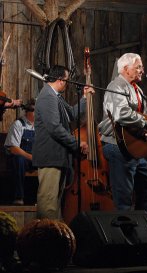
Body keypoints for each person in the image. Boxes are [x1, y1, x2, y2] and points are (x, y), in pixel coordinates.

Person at [98, 53, 147, 215]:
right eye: (138, 67)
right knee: (123, 198)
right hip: (117, 146)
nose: (142, 70)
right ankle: (125, 237)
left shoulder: (137, 89)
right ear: (125, 69)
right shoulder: (115, 86)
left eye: (142, 67)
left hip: (133, 147)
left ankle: (141, 229)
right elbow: (121, 113)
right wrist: (146, 123)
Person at [32, 65, 92, 219]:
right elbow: (54, 127)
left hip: (58, 157)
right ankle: (45, 238)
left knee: (55, 202)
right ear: (60, 80)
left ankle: (54, 238)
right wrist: (76, 143)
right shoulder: (47, 96)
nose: (67, 83)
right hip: (50, 156)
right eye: (67, 80)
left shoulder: (55, 96)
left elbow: (71, 114)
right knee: (48, 202)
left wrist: (85, 98)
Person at [4, 98, 36, 205]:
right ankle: (19, 197)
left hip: (37, 159)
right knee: (19, 160)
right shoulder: (19, 124)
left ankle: (44, 200)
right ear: (28, 111)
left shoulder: (41, 126)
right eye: (34, 110)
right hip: (23, 160)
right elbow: (13, 148)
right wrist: (31, 157)